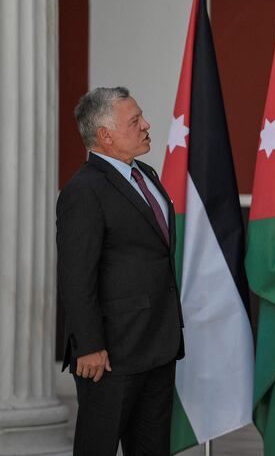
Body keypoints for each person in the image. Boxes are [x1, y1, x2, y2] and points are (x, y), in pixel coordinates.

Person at [57, 87, 184, 455]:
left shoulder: (145, 173)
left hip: (158, 344)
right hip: (111, 354)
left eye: (141, 116)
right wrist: (90, 345)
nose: (146, 125)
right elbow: (76, 276)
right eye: (135, 121)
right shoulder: (84, 191)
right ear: (105, 135)